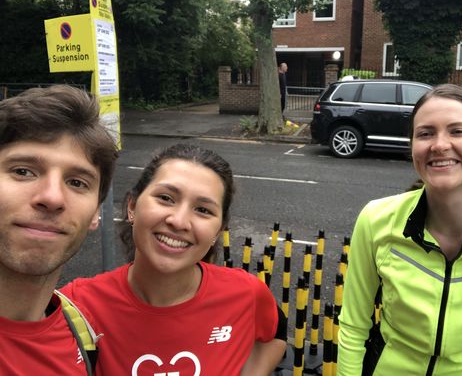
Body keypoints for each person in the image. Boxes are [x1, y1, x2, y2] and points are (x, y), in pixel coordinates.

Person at [337, 84, 462, 374]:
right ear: (412, 147)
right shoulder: (376, 219)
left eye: (457, 131)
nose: (439, 144)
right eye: (425, 133)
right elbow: (354, 326)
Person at [62, 143, 287, 375]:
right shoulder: (76, 307)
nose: (179, 221)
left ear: (218, 231)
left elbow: (275, 333)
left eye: (203, 210)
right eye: (166, 198)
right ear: (132, 207)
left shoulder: (246, 294)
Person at [0, 85, 118, 374]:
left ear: (95, 214)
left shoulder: (82, 334)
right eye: (23, 171)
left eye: (77, 182)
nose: (52, 198)